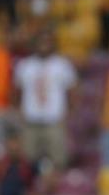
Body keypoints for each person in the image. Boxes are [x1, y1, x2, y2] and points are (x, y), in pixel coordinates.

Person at [13, 31, 77, 171]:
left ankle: (58, 189)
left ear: (53, 44)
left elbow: (71, 91)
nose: (44, 45)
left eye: (47, 42)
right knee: (28, 160)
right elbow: (17, 92)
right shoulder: (25, 65)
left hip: (54, 119)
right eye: (41, 42)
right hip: (31, 120)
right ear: (34, 44)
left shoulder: (62, 64)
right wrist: (18, 111)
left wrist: (70, 112)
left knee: (58, 159)